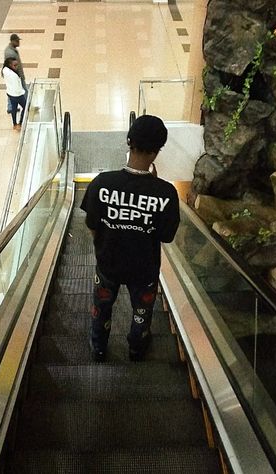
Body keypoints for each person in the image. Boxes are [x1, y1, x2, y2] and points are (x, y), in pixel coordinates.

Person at [81, 115, 180, 362]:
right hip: (144, 270)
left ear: (128, 141)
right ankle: (136, 348)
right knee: (142, 312)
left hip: (108, 265)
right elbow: (166, 236)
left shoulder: (101, 183)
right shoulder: (166, 193)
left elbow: (92, 225)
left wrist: (105, 241)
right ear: (157, 151)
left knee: (101, 309)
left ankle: (99, 348)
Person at [4, 33, 28, 115]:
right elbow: (13, 67)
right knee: (24, 90)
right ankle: (27, 105)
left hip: (16, 75)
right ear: (13, 41)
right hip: (16, 76)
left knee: (12, 91)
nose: (19, 42)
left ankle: (10, 107)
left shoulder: (12, 49)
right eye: (17, 41)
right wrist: (19, 76)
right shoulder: (10, 53)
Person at [1, 57, 26, 131]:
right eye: (14, 65)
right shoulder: (14, 76)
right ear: (10, 65)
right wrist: (23, 92)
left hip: (10, 93)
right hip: (17, 95)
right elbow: (17, 87)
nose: (16, 67)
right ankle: (20, 123)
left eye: (17, 65)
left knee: (14, 108)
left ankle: (14, 124)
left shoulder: (5, 70)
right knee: (25, 107)